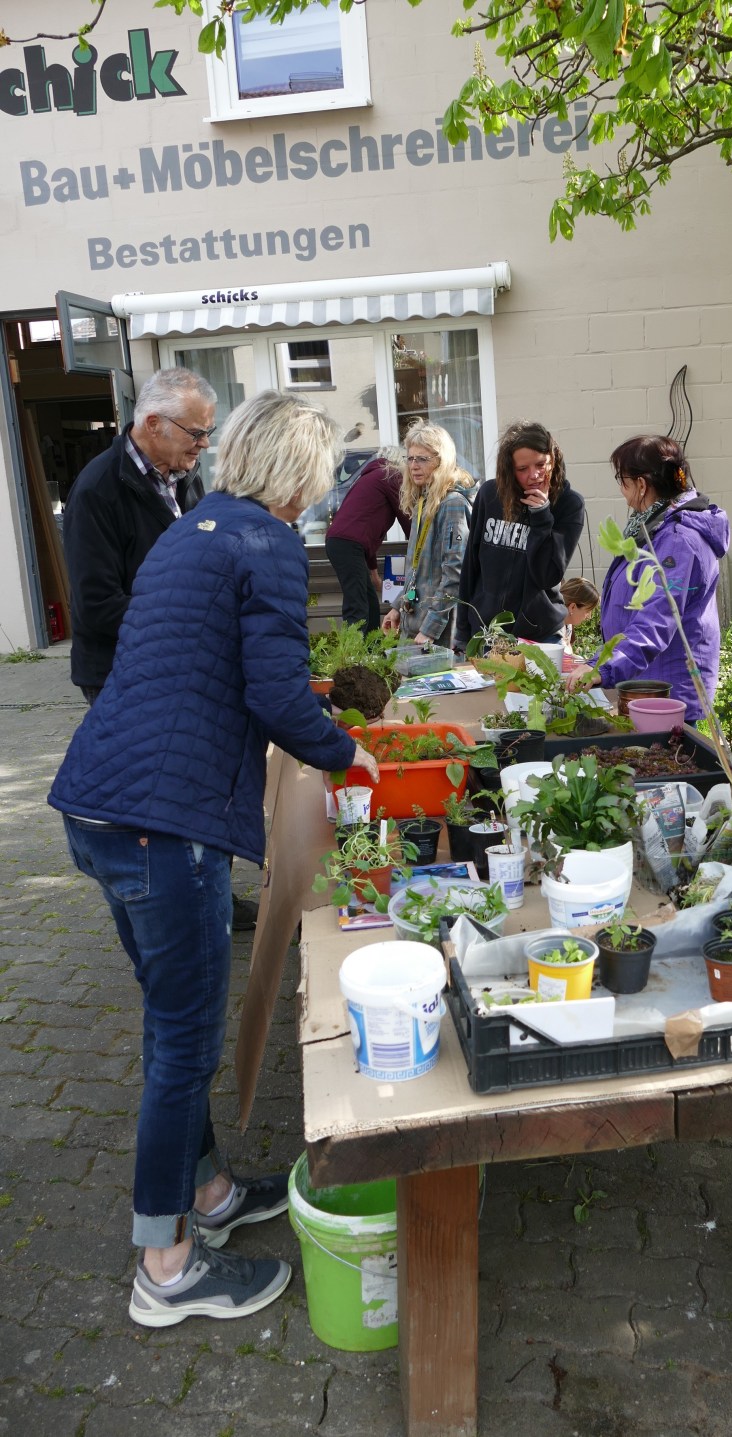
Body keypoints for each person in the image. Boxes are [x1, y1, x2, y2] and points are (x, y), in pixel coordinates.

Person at [48, 392, 380, 1329]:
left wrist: (305, 691)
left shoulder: (194, 528)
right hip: (166, 823)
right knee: (183, 1045)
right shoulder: (267, 542)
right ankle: (166, 1263)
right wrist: (349, 751)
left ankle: (210, 1194)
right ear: (298, 474)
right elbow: (272, 696)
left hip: (102, 804)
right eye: (318, 480)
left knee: (169, 1024)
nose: (317, 500)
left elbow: (206, 660)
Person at [63, 367, 216, 704]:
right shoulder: (97, 490)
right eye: (195, 432)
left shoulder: (184, 475)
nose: (204, 443)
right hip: (122, 673)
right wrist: (185, 617)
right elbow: (97, 606)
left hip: (177, 663)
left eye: (208, 431)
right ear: (153, 424)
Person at [565, 436, 729, 719]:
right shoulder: (657, 528)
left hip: (670, 695)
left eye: (622, 480)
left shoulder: (678, 540)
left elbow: (656, 618)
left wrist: (603, 668)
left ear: (642, 485)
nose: (620, 489)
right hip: (649, 684)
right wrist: (597, 661)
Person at [455, 420, 585, 649]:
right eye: (522, 469)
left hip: (540, 635)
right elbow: (471, 566)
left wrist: (542, 516)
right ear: (509, 468)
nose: (534, 475)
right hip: (487, 634)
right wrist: (463, 632)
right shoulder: (490, 496)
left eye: (541, 464)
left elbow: (547, 576)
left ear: (553, 460)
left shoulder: (568, 504)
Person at [381, 423, 475, 646]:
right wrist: (397, 607)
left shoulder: (452, 504)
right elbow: (418, 571)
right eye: (410, 458)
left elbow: (455, 575)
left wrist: (430, 630)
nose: (414, 466)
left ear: (441, 461)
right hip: (416, 621)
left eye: (422, 459)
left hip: (439, 633)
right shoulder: (424, 500)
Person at [324, 447, 410, 633]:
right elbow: (406, 513)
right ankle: (355, 655)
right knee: (357, 603)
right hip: (347, 544)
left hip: (343, 543)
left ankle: (371, 653)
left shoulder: (369, 477)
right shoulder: (390, 474)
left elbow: (364, 533)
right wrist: (420, 544)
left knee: (370, 601)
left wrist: (373, 573)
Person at [560, 576, 599, 656]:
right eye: (588, 611)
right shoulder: (554, 632)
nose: (589, 617)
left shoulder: (568, 625)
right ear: (572, 607)